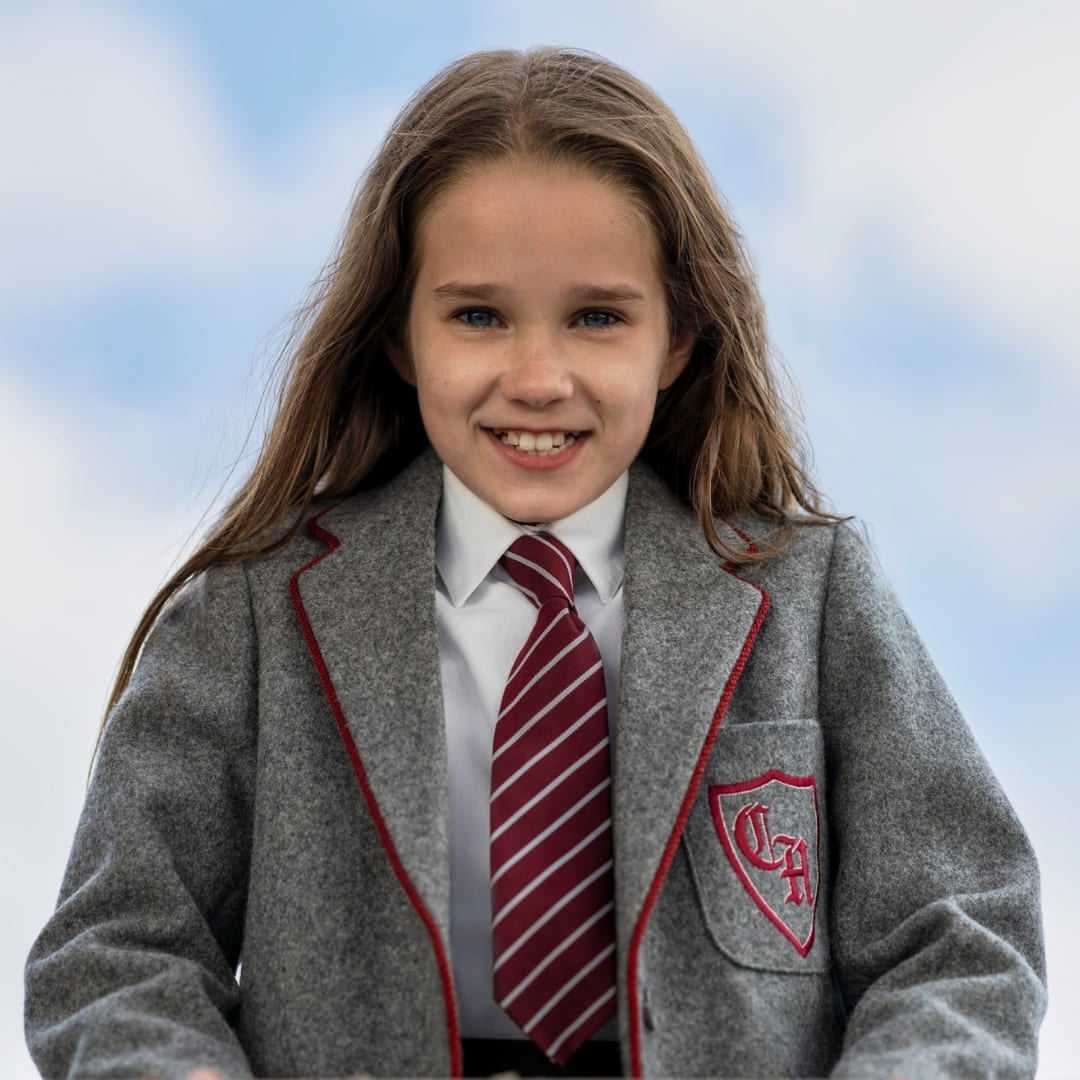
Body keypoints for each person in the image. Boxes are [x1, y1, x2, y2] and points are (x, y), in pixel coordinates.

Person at [25, 46, 1045, 1080]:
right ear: (398, 338)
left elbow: (962, 939)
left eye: (598, 317)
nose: (539, 377)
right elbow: (117, 953)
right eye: (477, 316)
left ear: (681, 339)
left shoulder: (813, 600)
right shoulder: (248, 615)